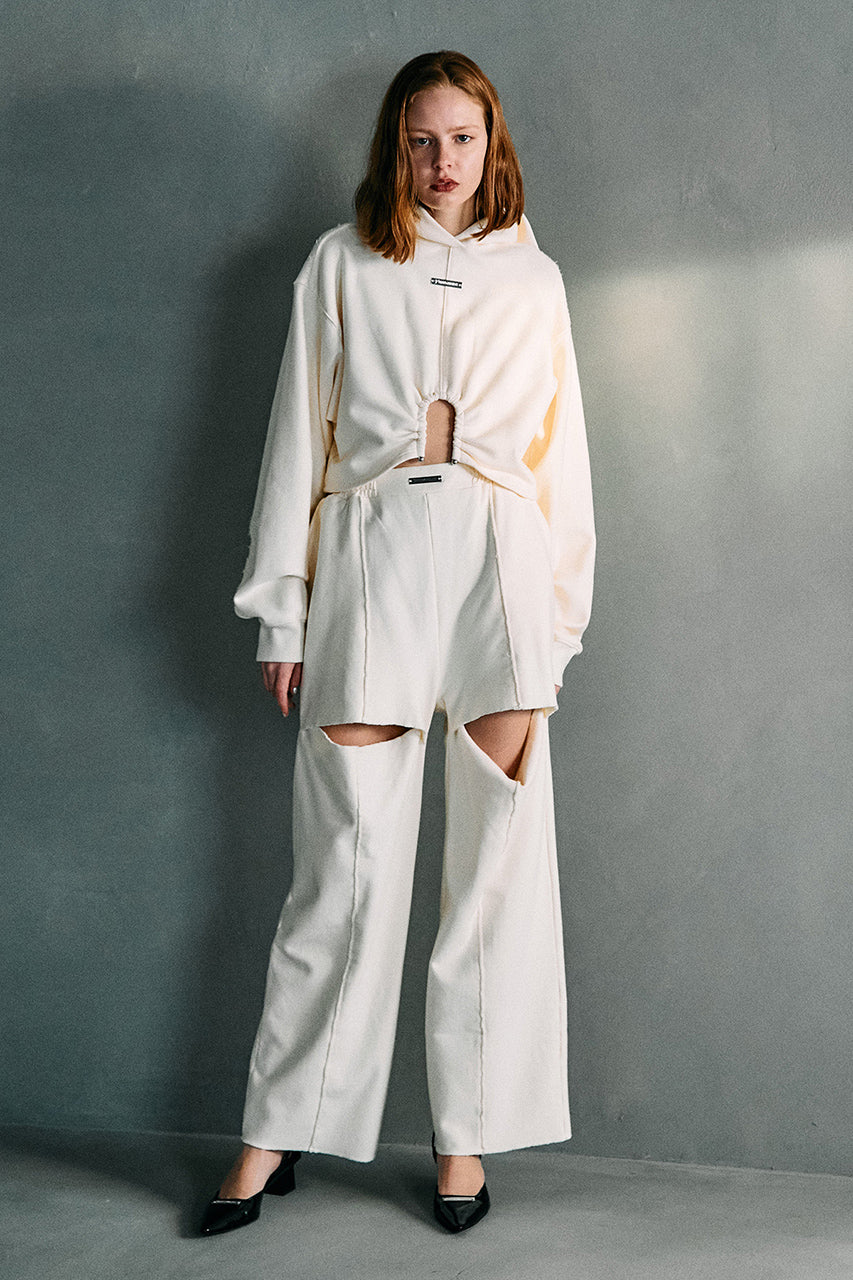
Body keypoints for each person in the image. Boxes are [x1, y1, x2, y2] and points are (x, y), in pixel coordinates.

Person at [201, 49, 595, 1237]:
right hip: (371, 554)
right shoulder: (341, 262)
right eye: (421, 140)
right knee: (346, 860)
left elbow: (563, 465)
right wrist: (283, 608)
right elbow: (297, 435)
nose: (441, 161)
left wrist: (557, 623)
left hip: (498, 568)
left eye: (461, 138)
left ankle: (463, 1137)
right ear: (395, 147)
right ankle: (279, 1126)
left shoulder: (536, 281)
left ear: (491, 143)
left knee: (495, 871)